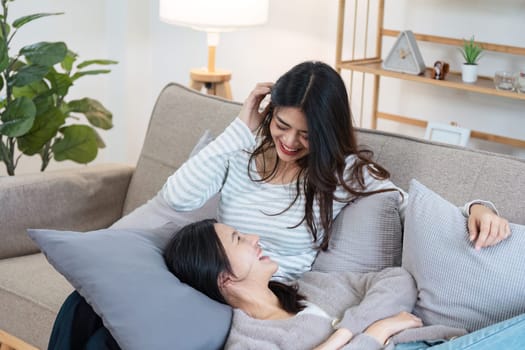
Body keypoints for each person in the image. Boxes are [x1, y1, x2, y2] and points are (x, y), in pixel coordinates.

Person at [48, 61, 511, 348]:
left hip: (248, 302)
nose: (289, 141)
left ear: (326, 134)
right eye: (281, 125)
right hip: (209, 278)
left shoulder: (341, 173)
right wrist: (240, 127)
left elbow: (408, 210)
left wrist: (477, 206)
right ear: (269, 112)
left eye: (306, 134)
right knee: (83, 304)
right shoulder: (243, 154)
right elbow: (177, 197)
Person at [164, 219, 468, 350]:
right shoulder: (249, 342)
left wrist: (347, 330)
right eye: (239, 240)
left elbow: (397, 280)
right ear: (224, 278)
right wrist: (377, 331)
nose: (254, 238)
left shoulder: (309, 286)